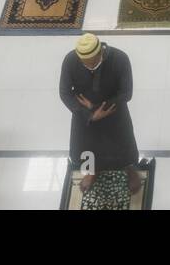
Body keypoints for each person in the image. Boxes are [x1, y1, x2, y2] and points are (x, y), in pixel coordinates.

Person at [59, 33, 140, 193]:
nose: (88, 66)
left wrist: (96, 107)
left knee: (123, 145)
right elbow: (64, 93)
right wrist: (89, 114)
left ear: (100, 53)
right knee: (86, 147)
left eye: (92, 62)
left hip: (114, 112)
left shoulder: (120, 59)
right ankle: (91, 172)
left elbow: (126, 93)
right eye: (84, 63)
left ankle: (130, 170)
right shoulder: (71, 60)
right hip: (84, 116)